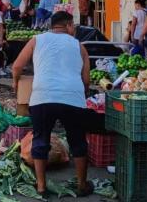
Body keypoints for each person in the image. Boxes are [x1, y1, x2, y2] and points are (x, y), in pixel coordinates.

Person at [12, 12, 93, 198]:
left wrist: (16, 83)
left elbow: (17, 66)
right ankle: (82, 185)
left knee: (40, 140)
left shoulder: (36, 40)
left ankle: (41, 187)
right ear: (69, 25)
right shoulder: (79, 46)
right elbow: (86, 79)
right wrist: (82, 92)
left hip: (42, 97)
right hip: (72, 98)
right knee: (78, 142)